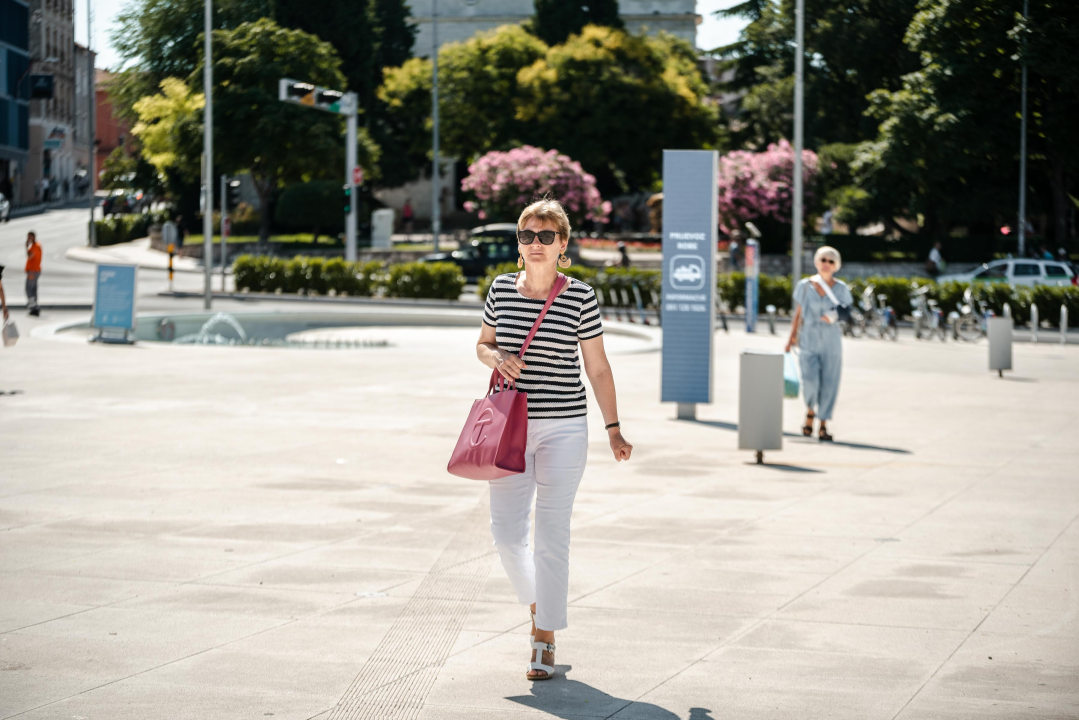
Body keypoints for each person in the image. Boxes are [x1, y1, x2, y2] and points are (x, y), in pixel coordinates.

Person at [476, 197, 633, 681]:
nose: (536, 243)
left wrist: (613, 428)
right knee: (505, 535)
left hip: (564, 425)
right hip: (510, 428)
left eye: (547, 236)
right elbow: (482, 344)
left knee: (551, 533)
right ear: (518, 243)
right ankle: (539, 603)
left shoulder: (580, 297)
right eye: (528, 235)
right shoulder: (500, 289)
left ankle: (543, 637)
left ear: (563, 244)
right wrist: (496, 357)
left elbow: (598, 367)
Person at [785, 246, 852, 442]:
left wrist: (834, 316)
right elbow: (798, 313)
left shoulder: (841, 288)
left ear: (836, 265)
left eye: (831, 261)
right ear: (817, 262)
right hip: (808, 338)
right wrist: (791, 338)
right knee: (810, 380)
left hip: (831, 340)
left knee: (830, 381)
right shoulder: (805, 285)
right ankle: (809, 412)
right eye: (823, 259)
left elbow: (847, 311)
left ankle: (823, 423)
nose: (826, 264)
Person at [25, 232, 42, 316]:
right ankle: (34, 305)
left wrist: (27, 246)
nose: (28, 239)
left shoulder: (34, 246)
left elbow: (30, 256)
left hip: (32, 271)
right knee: (34, 289)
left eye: (29, 237)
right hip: (36, 270)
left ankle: (33, 306)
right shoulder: (38, 245)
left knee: (29, 289)